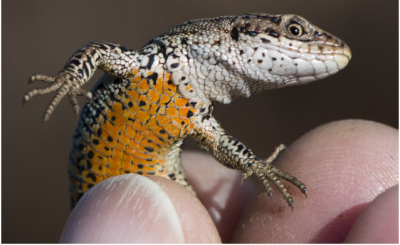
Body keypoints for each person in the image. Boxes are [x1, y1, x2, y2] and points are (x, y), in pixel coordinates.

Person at [60, 120, 398, 243]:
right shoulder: (160, 61)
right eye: (293, 31)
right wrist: (71, 78)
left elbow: (218, 142)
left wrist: (253, 164)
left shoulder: (189, 105)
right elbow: (99, 51)